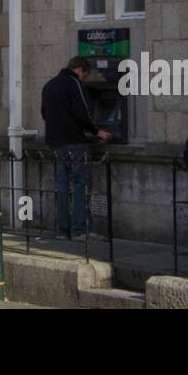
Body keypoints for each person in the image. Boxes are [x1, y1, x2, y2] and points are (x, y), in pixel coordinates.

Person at [41, 56, 112, 239]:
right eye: (84, 76)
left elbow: (44, 113)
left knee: (62, 187)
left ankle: (63, 231)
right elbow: (83, 113)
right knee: (81, 185)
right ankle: (81, 230)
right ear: (80, 70)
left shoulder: (49, 85)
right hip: (75, 142)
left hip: (56, 143)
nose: (83, 80)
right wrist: (97, 132)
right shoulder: (74, 84)